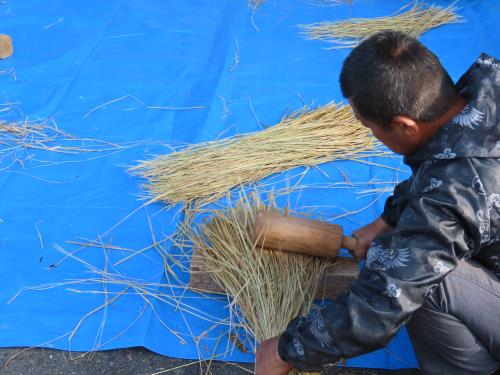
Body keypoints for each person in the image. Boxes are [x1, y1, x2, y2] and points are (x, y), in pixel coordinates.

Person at [255, 30, 500, 375]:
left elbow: (381, 306)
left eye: (371, 129)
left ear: (404, 125)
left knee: (422, 279)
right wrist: (388, 219)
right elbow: (448, 166)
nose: (373, 137)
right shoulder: (488, 89)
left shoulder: (451, 194)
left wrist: (285, 351)